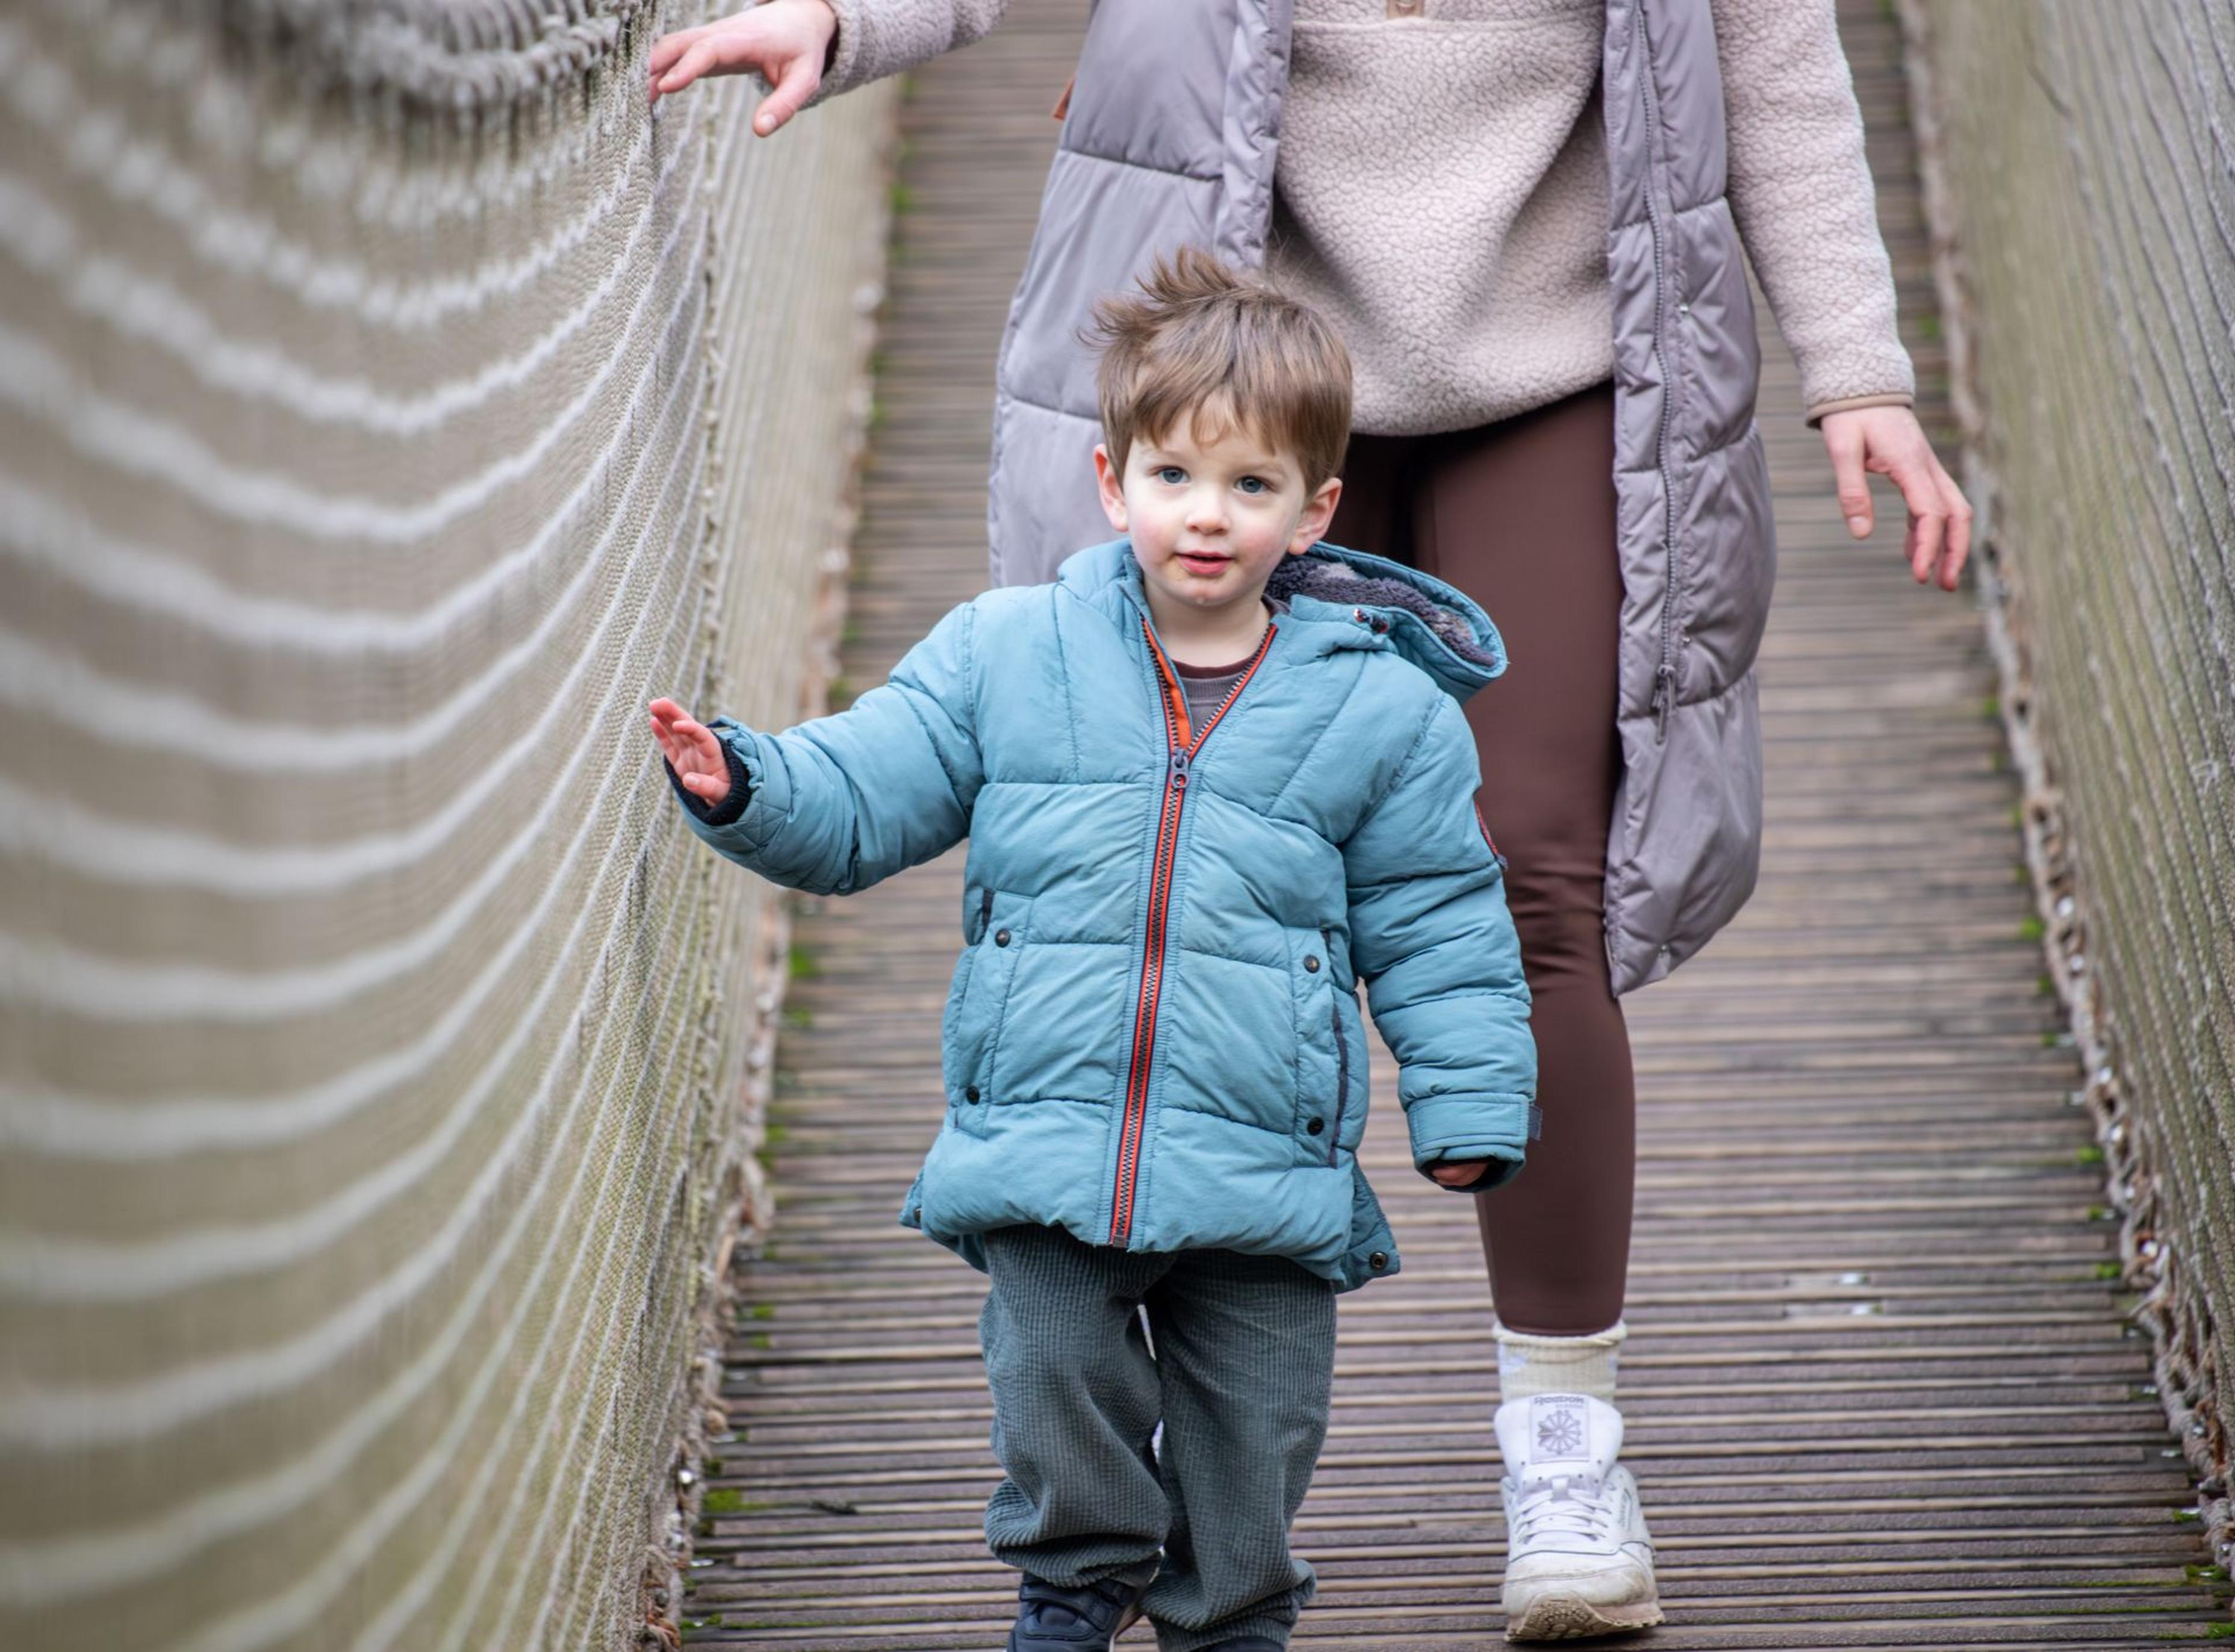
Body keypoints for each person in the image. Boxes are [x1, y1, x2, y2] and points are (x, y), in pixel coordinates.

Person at [646, 0, 1975, 1638]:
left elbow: (1773, 62)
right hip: (1246, 359)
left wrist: (1857, 367)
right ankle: (1133, 1488)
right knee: (1188, 847)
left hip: (1555, 364)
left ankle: (1564, 1452)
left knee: (1526, 878)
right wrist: (843, 19)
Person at [649, 252, 1539, 1652]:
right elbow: (875, 782)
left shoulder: (1384, 714)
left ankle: (1231, 1612)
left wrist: (1471, 1097)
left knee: (1261, 1428)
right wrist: (750, 785)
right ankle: (1076, 1575)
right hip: (1050, 1133)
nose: (1208, 516)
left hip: (1263, 1151)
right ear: (1112, 480)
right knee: (1051, 1368)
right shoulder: (1009, 651)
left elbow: (1440, 918)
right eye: (1177, 477)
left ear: (1314, 512)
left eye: (1252, 488)